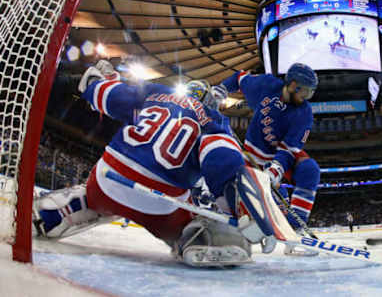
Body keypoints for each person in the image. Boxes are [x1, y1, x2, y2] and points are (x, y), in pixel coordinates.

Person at [32, 61, 278, 267]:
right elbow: (221, 161)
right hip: (161, 203)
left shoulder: (156, 92)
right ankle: (199, 239)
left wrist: (97, 84)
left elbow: (111, 96)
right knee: (195, 223)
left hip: (108, 177)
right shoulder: (214, 119)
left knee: (94, 196)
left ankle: (66, 207)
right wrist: (232, 208)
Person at [218, 63, 321, 233]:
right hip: (251, 154)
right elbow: (239, 78)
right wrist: (220, 90)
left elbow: (289, 149)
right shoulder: (266, 84)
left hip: (279, 159)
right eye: (306, 91)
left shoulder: (304, 113)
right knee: (222, 165)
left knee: (310, 170)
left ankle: (296, 228)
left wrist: (275, 171)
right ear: (293, 85)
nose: (307, 97)